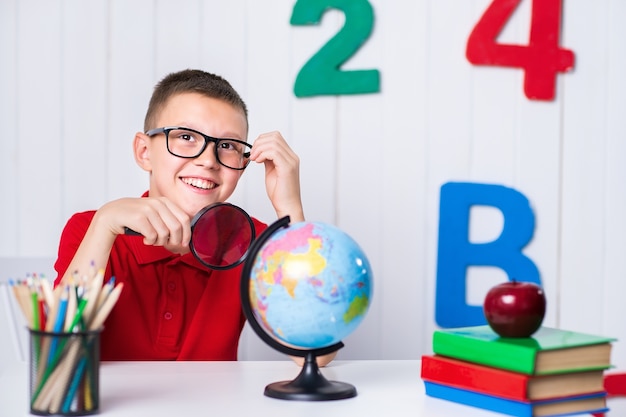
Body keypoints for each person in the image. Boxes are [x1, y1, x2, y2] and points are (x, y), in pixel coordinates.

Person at [53, 69, 335, 365]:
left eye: (227, 146)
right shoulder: (92, 229)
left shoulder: (252, 242)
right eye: (186, 137)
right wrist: (105, 224)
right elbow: (59, 357)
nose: (207, 161)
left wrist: (290, 210)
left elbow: (316, 355)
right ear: (144, 151)